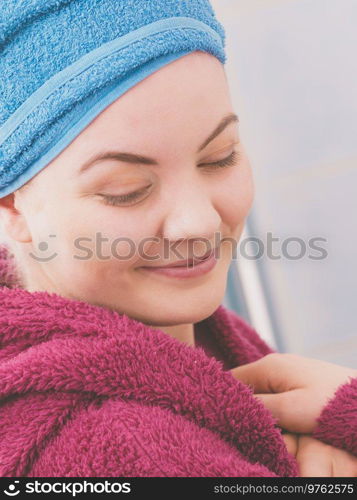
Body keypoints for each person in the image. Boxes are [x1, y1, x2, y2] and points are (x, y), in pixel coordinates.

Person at [0, 0, 356, 478]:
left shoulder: (198, 338)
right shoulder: (118, 451)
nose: (199, 224)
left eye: (220, 157)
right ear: (12, 208)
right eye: (127, 191)